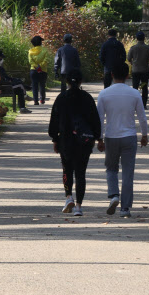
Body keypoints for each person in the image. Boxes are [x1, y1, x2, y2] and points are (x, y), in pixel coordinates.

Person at [96, 61, 148, 217]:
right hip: (129, 137)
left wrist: (99, 138)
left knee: (111, 168)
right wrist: (144, 135)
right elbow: (142, 117)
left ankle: (114, 195)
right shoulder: (134, 93)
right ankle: (125, 208)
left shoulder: (104, 94)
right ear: (127, 75)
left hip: (111, 136)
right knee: (128, 172)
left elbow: (99, 118)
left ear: (111, 75)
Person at [48, 68, 100, 217]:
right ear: (81, 81)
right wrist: (97, 138)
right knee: (81, 173)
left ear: (66, 82)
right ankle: (78, 206)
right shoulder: (87, 98)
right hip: (84, 140)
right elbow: (95, 120)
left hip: (66, 140)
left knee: (67, 170)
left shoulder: (61, 98)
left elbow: (54, 120)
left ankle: (68, 196)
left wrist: (55, 138)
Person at [127, 30, 149, 107]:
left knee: (135, 88)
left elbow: (128, 58)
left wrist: (133, 63)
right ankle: (144, 104)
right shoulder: (148, 48)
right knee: (145, 88)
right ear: (144, 38)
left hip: (135, 70)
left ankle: (135, 105)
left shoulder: (133, 48)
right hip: (145, 70)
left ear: (136, 38)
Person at [28, 35, 49, 105]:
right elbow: (46, 60)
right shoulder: (45, 50)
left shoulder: (30, 51)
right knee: (42, 85)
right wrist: (40, 66)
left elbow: (30, 61)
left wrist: (36, 66)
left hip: (33, 70)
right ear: (40, 42)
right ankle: (42, 99)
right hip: (43, 70)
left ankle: (35, 101)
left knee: (34, 86)